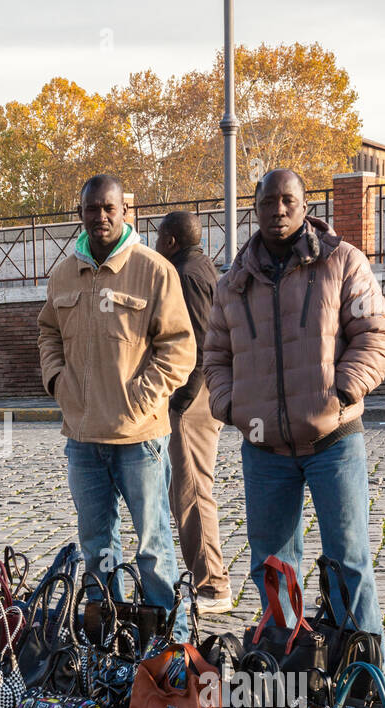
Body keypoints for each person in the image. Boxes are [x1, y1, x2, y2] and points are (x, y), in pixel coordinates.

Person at [204, 168, 385, 639]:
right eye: (269, 202)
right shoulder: (232, 283)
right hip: (264, 449)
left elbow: (376, 334)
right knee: (272, 567)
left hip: (334, 441)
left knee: (349, 562)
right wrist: (233, 406)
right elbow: (214, 355)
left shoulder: (342, 261)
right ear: (256, 207)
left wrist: (344, 391)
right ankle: (290, 667)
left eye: (288, 200)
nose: (279, 210)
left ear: (305, 205)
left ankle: (362, 683)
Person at [37, 174, 194, 635]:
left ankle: (172, 640)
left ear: (126, 210)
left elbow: (179, 348)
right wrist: (57, 380)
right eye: (92, 209)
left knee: (152, 545)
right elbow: (47, 331)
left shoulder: (153, 270)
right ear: (81, 213)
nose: (100, 217)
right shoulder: (64, 274)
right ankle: (107, 638)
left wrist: (139, 399)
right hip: (83, 441)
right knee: (96, 544)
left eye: (109, 208)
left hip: (138, 439)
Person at [154, 212, 233, 614]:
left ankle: (213, 586)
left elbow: (200, 343)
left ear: (169, 241)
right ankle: (209, 581)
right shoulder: (204, 266)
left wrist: (181, 401)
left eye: (157, 237)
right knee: (188, 491)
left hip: (193, 400)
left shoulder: (185, 274)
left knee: (191, 494)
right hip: (199, 394)